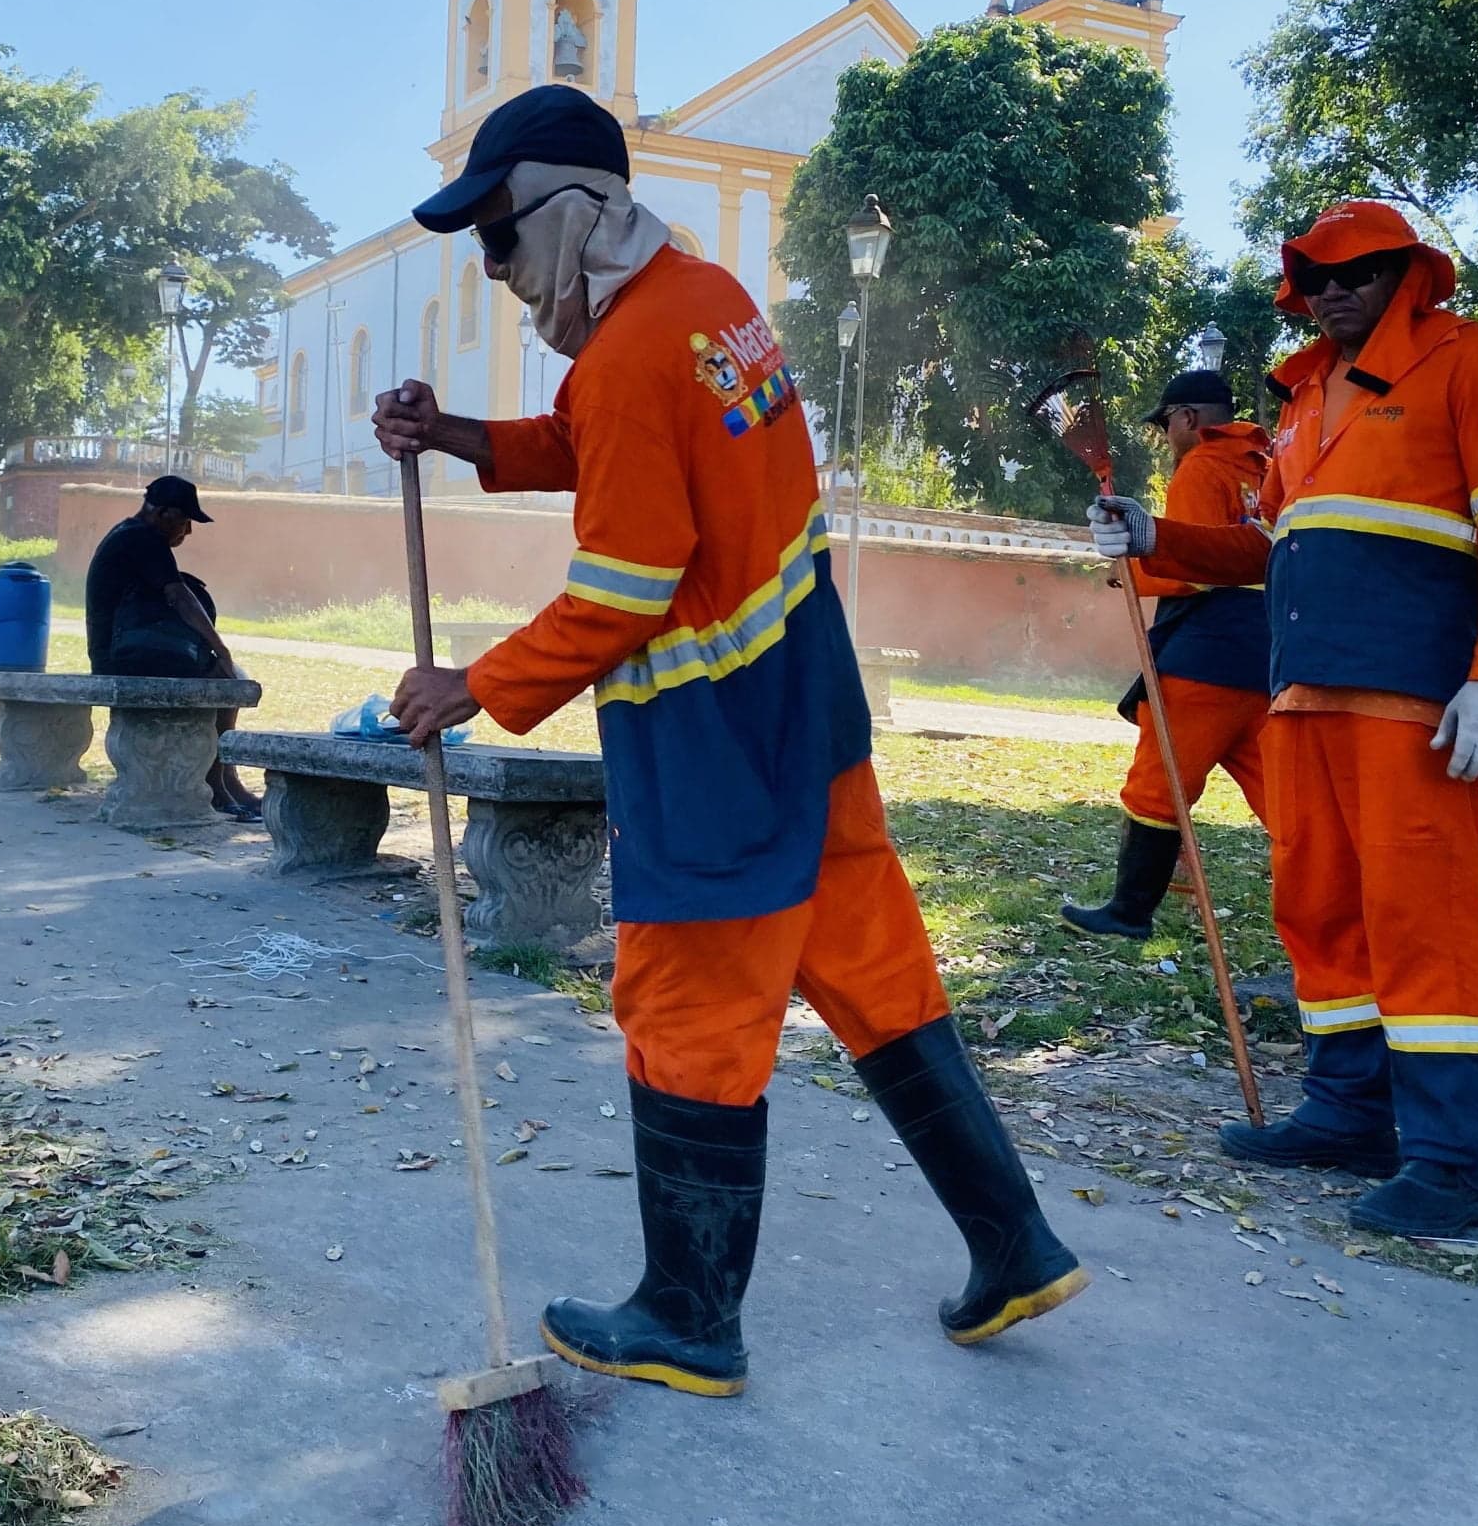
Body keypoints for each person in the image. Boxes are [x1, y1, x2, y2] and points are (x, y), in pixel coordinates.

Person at [374, 84, 1084, 1398]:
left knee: (685, 1009)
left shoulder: (637, 353)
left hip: (715, 754)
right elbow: (612, 443)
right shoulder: (707, 309)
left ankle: (692, 1316)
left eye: (500, 237)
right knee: (880, 981)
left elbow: (625, 590)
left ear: (574, 212)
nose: (496, 274)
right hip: (810, 721)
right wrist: (463, 435)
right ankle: (1015, 1243)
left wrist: (467, 686)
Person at [1089, 200, 1478, 1236]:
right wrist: (1150, 530)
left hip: (1413, 702)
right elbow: (1260, 553)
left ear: (1410, 274)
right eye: (1314, 274)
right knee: (1318, 910)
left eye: (1359, 270)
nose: (1332, 288)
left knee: (1419, 921)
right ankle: (1348, 1114)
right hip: (1295, 694)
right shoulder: (1302, 402)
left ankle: (1448, 1164)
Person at [1060, 368, 1273, 938]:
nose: (1167, 438)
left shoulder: (1202, 465)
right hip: (1272, 654)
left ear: (1186, 418)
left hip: (1208, 655)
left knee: (1159, 782)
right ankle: (1350, 897)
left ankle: (1129, 911)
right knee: (1285, 797)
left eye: (1166, 425)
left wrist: (1125, 569)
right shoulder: (1270, 466)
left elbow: (1198, 569)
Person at [83, 473, 262, 821]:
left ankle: (225, 778)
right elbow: (179, 595)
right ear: (163, 513)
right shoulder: (143, 538)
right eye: (185, 521)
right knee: (228, 680)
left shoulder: (131, 533)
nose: (188, 531)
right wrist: (221, 650)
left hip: (122, 652)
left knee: (231, 677)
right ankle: (216, 783)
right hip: (121, 658)